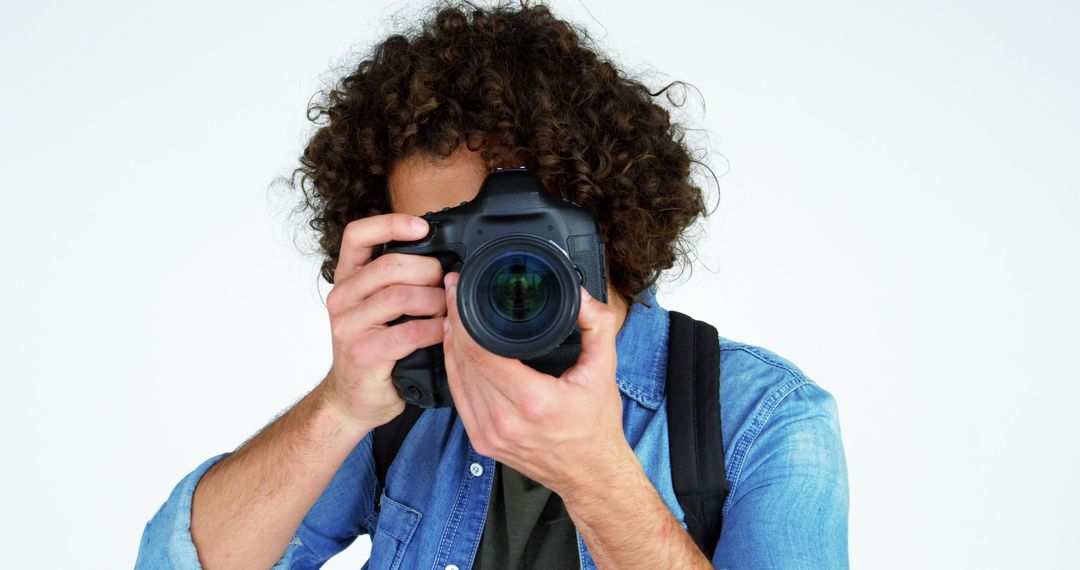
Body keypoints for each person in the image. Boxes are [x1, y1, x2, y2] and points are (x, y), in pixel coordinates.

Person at [136, 2, 849, 568]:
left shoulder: (760, 417)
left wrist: (597, 476)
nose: (498, 278)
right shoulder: (405, 399)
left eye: (515, 239)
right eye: (455, 243)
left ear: (599, 212)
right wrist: (340, 406)